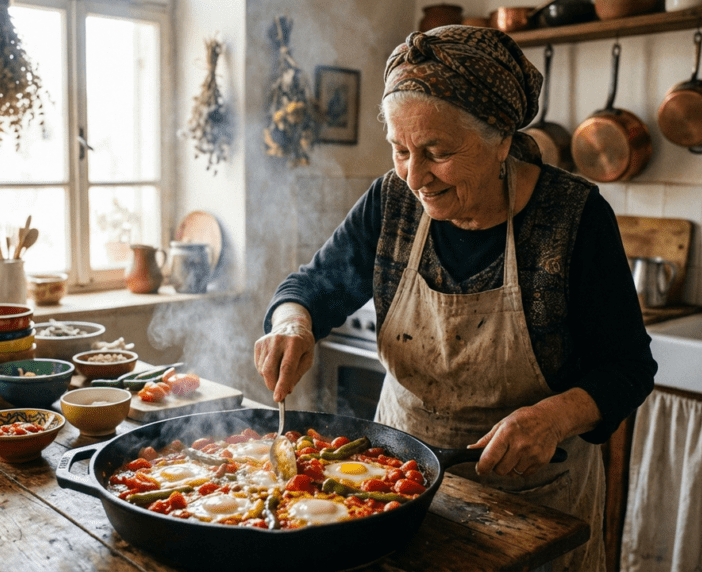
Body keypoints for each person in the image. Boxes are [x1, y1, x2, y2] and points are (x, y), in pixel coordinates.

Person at [254, 25, 656, 571]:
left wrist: (555, 416)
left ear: (502, 142)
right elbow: (311, 287)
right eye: (400, 150)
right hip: (391, 484)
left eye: (437, 153)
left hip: (533, 502)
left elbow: (629, 366)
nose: (415, 177)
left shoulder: (575, 218)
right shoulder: (390, 200)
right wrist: (292, 323)